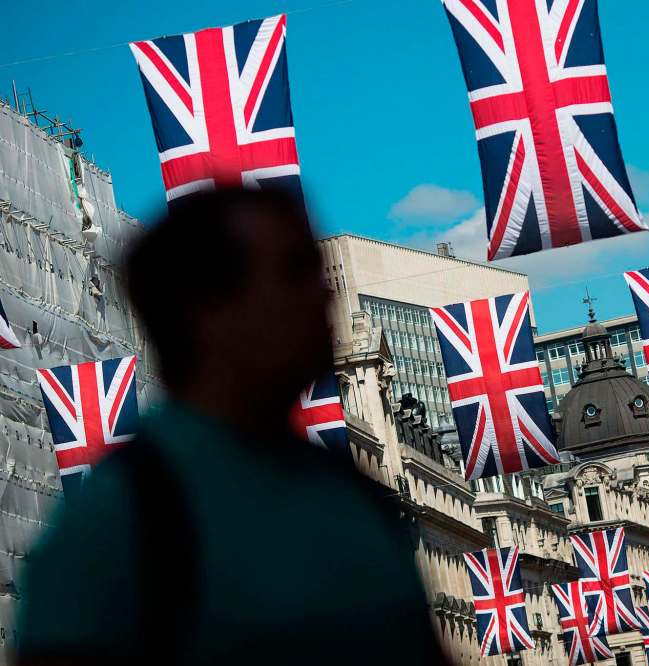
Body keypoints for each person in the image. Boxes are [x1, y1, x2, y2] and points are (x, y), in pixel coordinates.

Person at [17, 189, 447, 664]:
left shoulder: (352, 495)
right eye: (294, 270)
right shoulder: (120, 521)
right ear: (208, 311)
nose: (324, 293)